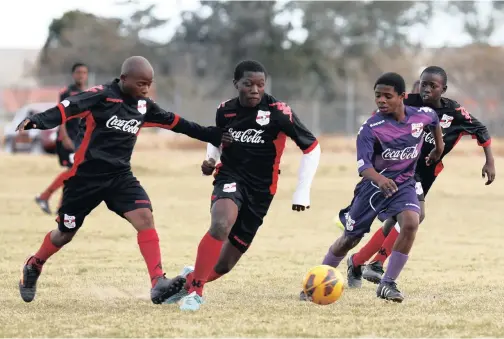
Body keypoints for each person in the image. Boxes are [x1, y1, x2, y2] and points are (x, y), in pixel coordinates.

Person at [17, 56, 228, 305]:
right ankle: (34, 264)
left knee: (145, 217)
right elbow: (69, 107)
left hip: (119, 177)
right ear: (124, 79)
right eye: (141, 84)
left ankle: (158, 282)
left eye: (149, 84)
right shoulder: (101, 95)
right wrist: (39, 121)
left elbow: (177, 123)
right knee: (64, 233)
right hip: (85, 178)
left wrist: (212, 134)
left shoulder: (143, 106)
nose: (146, 89)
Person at [164, 60, 320, 311]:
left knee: (223, 266)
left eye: (260, 84)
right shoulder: (224, 110)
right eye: (248, 84)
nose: (255, 89)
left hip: (262, 192)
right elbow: (217, 138)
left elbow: (312, 148)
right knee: (221, 224)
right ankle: (196, 293)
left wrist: (302, 191)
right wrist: (211, 160)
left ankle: (189, 279)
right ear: (236, 84)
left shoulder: (279, 112)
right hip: (230, 177)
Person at [301, 72, 444, 302]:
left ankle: (387, 284)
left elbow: (435, 121)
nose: (381, 101)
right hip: (372, 190)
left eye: (388, 96)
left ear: (402, 97)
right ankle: (315, 282)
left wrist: (439, 147)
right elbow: (364, 167)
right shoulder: (371, 128)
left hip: (404, 185)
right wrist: (379, 179)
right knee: (350, 239)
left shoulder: (422, 116)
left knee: (410, 223)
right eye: (378, 96)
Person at [347, 66, 495, 285]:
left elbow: (481, 130)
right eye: (423, 84)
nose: (426, 89)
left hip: (427, 174)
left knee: (394, 222)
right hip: (404, 170)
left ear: (443, 89)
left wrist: (489, 161)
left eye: (432, 86)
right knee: (416, 217)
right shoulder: (408, 102)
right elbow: (378, 121)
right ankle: (376, 264)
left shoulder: (454, 112)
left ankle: (357, 262)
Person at [35, 62, 89, 214]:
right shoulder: (67, 92)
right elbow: (61, 115)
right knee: (73, 170)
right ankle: (45, 196)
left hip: (77, 138)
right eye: (78, 72)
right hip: (67, 138)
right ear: (73, 74)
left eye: (84, 73)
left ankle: (60, 207)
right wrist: (64, 136)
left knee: (73, 172)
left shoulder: (85, 92)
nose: (81, 75)